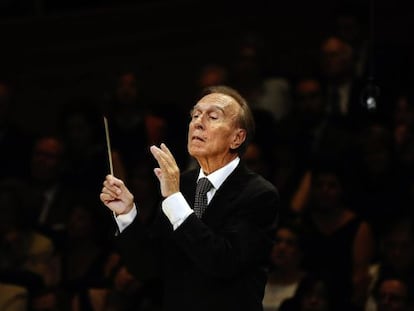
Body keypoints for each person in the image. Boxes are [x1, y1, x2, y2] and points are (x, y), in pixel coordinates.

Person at [100, 85, 280, 311]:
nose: (198, 122)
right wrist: (126, 213)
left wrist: (174, 199)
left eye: (212, 116)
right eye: (195, 115)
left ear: (237, 138)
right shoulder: (181, 184)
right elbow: (149, 268)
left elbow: (222, 262)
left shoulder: (259, 194)